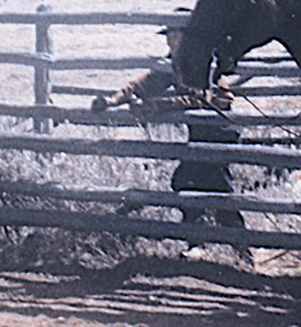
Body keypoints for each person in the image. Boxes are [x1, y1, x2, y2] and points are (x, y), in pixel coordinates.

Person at [94, 19, 247, 232]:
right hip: (200, 134)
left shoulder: (203, 61)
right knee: (194, 181)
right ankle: (211, 238)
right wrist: (113, 100)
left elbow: (209, 99)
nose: (171, 40)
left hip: (221, 131)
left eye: (176, 35)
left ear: (188, 37)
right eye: (168, 35)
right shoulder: (173, 63)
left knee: (201, 181)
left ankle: (226, 240)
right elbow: (142, 85)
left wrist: (160, 105)